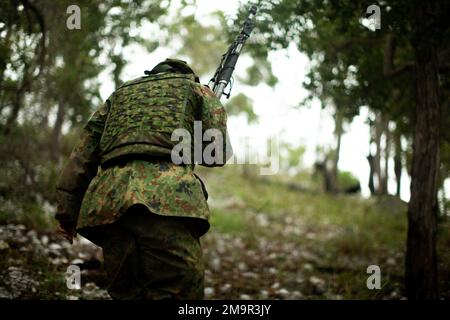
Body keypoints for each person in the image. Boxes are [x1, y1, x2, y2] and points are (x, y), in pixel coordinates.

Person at [55, 58, 232, 299]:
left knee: (126, 293)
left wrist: (67, 213)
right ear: (188, 75)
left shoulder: (120, 95)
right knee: (178, 293)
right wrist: (208, 113)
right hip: (169, 202)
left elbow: (82, 156)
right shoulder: (197, 91)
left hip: (110, 204)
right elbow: (216, 155)